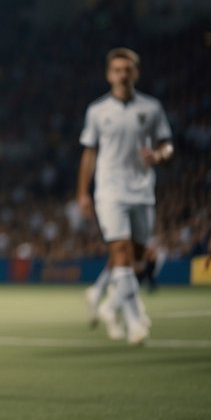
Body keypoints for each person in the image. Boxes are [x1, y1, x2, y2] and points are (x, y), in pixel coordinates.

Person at [77, 47, 173, 346]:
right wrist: (83, 193)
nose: (122, 74)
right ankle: (134, 322)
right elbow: (89, 154)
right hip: (109, 191)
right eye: (117, 70)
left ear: (136, 73)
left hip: (142, 191)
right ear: (109, 75)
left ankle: (106, 301)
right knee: (119, 251)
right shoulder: (97, 111)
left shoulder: (152, 108)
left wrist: (159, 156)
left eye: (127, 69)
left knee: (138, 259)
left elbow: (167, 144)